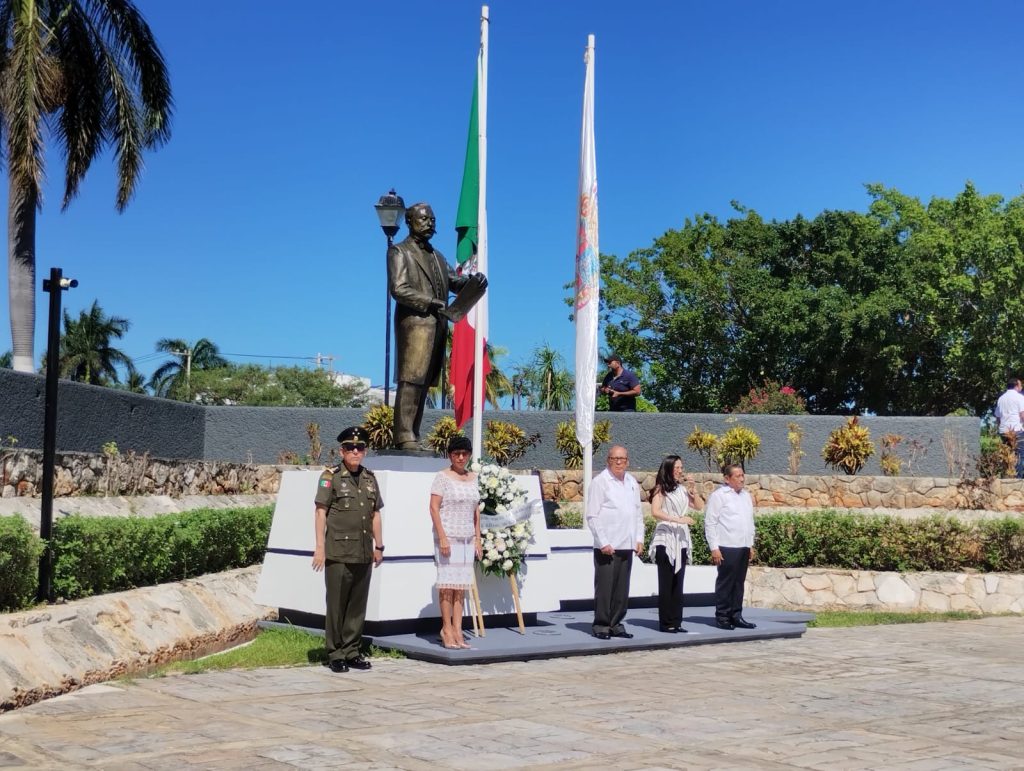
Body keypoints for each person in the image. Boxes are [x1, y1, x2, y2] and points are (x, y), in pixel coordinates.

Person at [387, 202, 485, 449]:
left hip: (437, 326)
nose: (430, 223)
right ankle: (403, 435)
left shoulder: (437, 256)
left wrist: (472, 282)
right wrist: (431, 301)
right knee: (410, 380)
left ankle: (413, 433)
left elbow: (454, 281)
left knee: (424, 383)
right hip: (415, 326)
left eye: (432, 219)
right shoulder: (400, 252)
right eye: (424, 219)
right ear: (410, 222)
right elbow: (399, 289)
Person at [312, 426, 384, 673]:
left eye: (360, 448)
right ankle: (335, 653)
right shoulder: (330, 476)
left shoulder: (369, 478)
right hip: (338, 552)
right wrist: (319, 548)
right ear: (342, 451)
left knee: (356, 605)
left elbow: (375, 514)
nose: (356, 451)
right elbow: (321, 513)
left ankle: (353, 651)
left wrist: (379, 546)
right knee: (336, 605)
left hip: (364, 551)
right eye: (351, 448)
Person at [428, 435, 483, 649]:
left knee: (460, 587)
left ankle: (459, 629)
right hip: (448, 536)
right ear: (450, 455)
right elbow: (433, 507)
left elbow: (475, 510)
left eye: (464, 454)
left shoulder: (474, 477)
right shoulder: (442, 477)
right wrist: (442, 536)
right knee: (447, 585)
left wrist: (478, 539)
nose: (460, 458)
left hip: (467, 537)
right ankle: (446, 628)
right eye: (456, 454)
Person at [586, 444, 644, 639]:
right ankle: (601, 625)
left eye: (622, 459)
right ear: (608, 460)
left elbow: (637, 512)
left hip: (626, 544)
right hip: (607, 546)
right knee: (605, 588)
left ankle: (616, 623)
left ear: (627, 461)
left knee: (621, 589)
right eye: (615, 459)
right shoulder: (600, 482)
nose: (619, 462)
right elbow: (592, 515)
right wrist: (603, 541)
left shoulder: (631, 482)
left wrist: (639, 538)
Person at [704, 463, 756, 631]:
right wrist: (714, 548)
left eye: (742, 475)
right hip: (727, 546)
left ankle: (736, 615)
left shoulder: (746, 496)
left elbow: (749, 522)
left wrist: (750, 544)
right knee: (725, 583)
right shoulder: (719, 496)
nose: (741, 479)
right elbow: (710, 522)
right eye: (737, 476)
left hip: (743, 546)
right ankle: (723, 616)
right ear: (727, 479)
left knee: (738, 583)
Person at [648, 455, 695, 633]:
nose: (680, 471)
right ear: (668, 469)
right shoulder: (661, 489)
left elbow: (698, 506)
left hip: (681, 540)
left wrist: (693, 490)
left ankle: (677, 621)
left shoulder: (683, 490)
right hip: (665, 539)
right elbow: (655, 512)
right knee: (666, 582)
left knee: (678, 582)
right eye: (677, 468)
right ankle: (665, 622)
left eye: (681, 467)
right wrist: (678, 519)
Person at [995, 378, 1024, 478]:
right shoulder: (1019, 397)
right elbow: (1022, 415)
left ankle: (1007, 478)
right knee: (1019, 455)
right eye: (1020, 385)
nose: (1021, 387)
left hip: (1003, 430)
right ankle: (1018, 480)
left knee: (1007, 455)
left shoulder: (1001, 398)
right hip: (1016, 430)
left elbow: (998, 418)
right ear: (1016, 385)